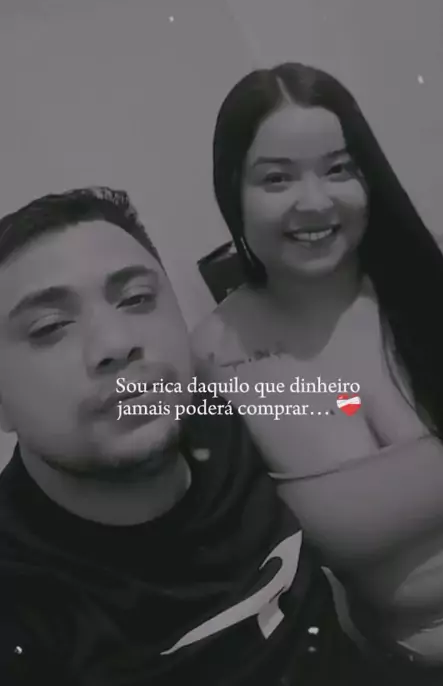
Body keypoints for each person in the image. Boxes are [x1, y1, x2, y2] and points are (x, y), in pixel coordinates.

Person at [0, 186, 390, 686]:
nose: (116, 343)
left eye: (136, 298)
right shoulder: (22, 600)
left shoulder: (236, 412)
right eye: (50, 326)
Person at [191, 62, 443, 685]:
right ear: (232, 191)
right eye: (277, 178)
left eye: (339, 168)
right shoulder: (217, 360)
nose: (315, 201)